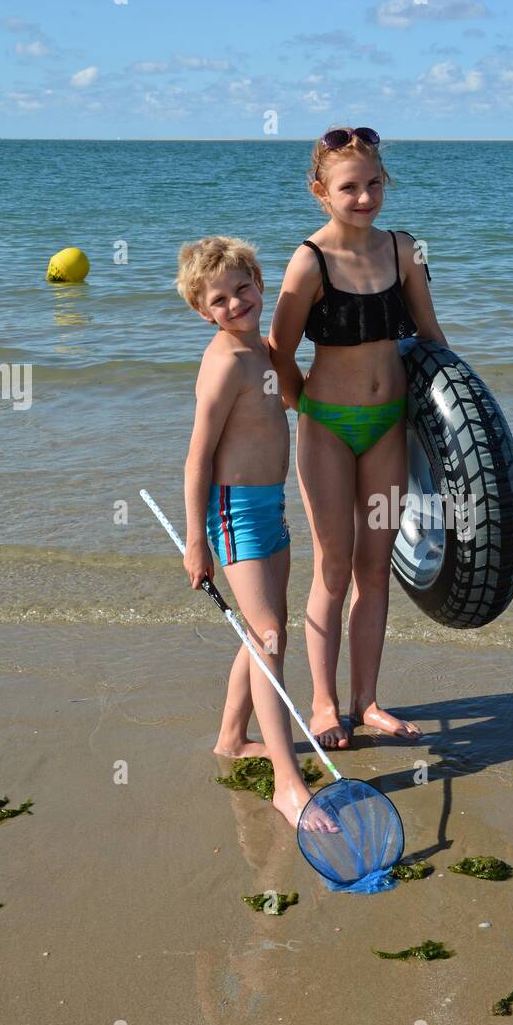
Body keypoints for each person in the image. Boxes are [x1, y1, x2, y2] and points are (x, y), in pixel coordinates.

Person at [269, 126, 449, 750]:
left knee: (375, 569)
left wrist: (459, 426)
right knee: (334, 567)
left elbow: (430, 336)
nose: (365, 196)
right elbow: (279, 352)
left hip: (386, 431)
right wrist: (304, 411)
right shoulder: (309, 260)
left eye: (374, 183)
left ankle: (367, 701)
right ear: (320, 191)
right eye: (350, 187)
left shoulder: (403, 250)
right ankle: (323, 705)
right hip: (327, 430)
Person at [176, 234, 334, 831]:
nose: (236, 303)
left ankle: (231, 738)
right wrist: (197, 541)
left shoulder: (266, 353)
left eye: (243, 288)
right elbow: (197, 460)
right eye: (220, 300)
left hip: (271, 504)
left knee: (264, 631)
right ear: (203, 311)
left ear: (260, 284)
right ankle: (287, 784)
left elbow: (298, 403)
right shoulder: (223, 364)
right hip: (231, 509)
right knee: (268, 636)